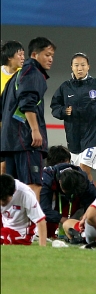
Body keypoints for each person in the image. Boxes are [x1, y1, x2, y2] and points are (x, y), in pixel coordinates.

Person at [0, 37, 56, 200]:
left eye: (52, 55)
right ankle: (33, 226)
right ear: (34, 55)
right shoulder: (33, 73)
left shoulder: (14, 78)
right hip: (27, 141)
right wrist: (35, 130)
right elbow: (27, 102)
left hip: (10, 143)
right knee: (33, 186)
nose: (51, 59)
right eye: (47, 54)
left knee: (11, 189)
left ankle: (12, 225)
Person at [50, 52, 96, 181]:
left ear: (88, 67)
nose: (79, 68)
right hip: (74, 139)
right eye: (76, 65)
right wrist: (63, 111)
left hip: (93, 137)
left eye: (82, 65)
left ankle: (91, 199)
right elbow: (55, 106)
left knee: (84, 168)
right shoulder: (65, 87)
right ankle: (82, 199)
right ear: (71, 67)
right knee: (77, 175)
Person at [39, 162, 96, 240]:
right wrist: (64, 220)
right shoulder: (47, 180)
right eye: (68, 192)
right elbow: (43, 209)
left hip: (76, 208)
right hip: (53, 206)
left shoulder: (83, 180)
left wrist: (86, 215)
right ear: (60, 182)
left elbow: (94, 202)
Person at [0, 174, 47, 246]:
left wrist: (43, 247)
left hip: (22, 233)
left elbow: (40, 220)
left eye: (4, 199)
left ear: (13, 193)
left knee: (4, 234)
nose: (1, 203)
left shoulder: (26, 194)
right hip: (5, 226)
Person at [0, 41, 25, 175]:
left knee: (8, 169)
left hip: (16, 131)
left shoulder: (24, 75)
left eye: (23, 54)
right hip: (2, 130)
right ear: (9, 57)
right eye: (19, 54)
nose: (23, 57)